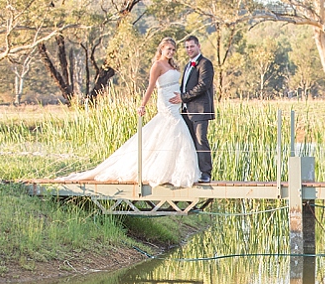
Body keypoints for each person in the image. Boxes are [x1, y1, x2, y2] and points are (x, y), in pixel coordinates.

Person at [61, 38, 199, 188]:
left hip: (176, 101)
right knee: (174, 127)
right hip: (166, 101)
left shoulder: (172, 64)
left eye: (173, 49)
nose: (171, 52)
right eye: (168, 49)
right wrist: (142, 105)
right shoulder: (157, 65)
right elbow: (151, 87)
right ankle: (161, 171)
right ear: (161, 49)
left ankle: (173, 171)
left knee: (173, 131)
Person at [169, 35, 215, 183]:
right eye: (187, 47)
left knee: (201, 140)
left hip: (201, 110)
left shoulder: (205, 64)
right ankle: (192, 172)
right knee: (189, 141)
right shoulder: (188, 66)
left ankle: (206, 173)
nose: (189, 49)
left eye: (192, 46)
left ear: (198, 46)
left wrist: (183, 97)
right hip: (187, 111)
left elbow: (203, 85)